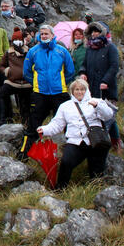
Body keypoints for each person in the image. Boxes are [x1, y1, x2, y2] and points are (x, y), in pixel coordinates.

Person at [37, 79, 116, 189]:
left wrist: (98, 106)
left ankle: (96, 191)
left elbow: (108, 115)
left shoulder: (96, 101)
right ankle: (60, 190)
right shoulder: (65, 106)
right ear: (72, 91)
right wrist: (44, 130)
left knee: (96, 170)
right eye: (77, 90)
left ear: (87, 90)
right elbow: (57, 124)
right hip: (75, 142)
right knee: (66, 162)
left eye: (82, 89)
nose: (80, 92)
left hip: (96, 141)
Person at [19, 24, 74, 159]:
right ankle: (24, 154)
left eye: (46, 34)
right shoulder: (33, 51)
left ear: (52, 35)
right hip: (40, 94)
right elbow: (26, 72)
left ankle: (70, 154)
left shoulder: (62, 51)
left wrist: (60, 83)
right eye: (42, 34)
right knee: (33, 125)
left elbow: (71, 71)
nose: (44, 36)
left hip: (59, 93)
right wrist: (36, 84)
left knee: (68, 123)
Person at [79, 21, 121, 142]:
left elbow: (114, 66)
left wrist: (105, 81)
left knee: (109, 115)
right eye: (92, 31)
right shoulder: (90, 48)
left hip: (106, 88)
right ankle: (107, 140)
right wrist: (82, 73)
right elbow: (84, 64)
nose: (94, 34)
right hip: (92, 88)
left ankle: (113, 142)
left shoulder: (110, 47)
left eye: (96, 31)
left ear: (103, 32)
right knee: (97, 115)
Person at [0, 28, 31, 126]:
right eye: (15, 40)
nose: (17, 42)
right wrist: (6, 71)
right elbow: (1, 65)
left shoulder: (29, 52)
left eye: (19, 40)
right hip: (12, 82)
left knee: (25, 101)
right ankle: (4, 118)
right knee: (0, 94)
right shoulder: (9, 52)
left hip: (27, 83)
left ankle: (26, 120)